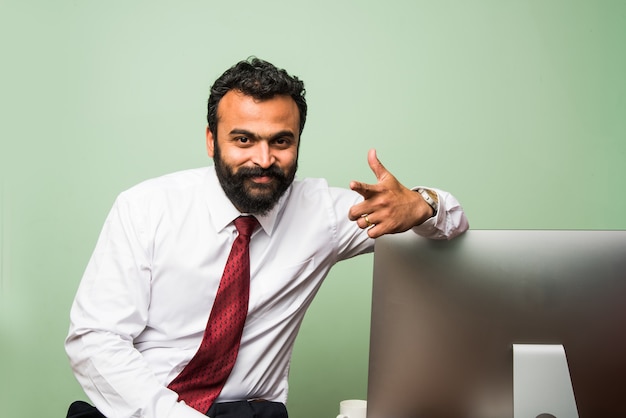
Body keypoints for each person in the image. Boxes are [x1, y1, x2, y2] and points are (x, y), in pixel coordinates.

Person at [65, 57, 469, 418]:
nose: (263, 160)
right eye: (243, 139)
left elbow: (451, 225)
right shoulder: (145, 208)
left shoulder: (322, 215)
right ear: (211, 140)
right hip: (139, 407)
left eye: (281, 141)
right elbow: (95, 341)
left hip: (247, 412)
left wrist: (423, 205)